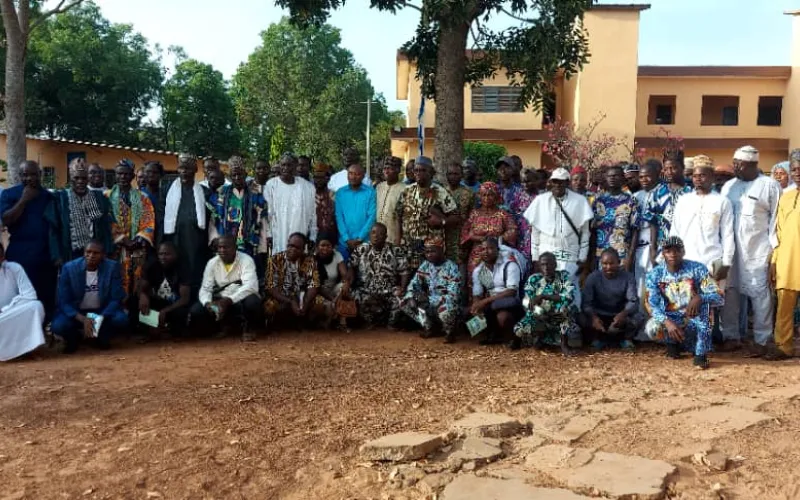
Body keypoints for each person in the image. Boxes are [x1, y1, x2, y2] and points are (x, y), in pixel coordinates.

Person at [720, 146, 781, 356]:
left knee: (760, 295)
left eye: (739, 164)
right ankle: (731, 336)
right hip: (731, 251)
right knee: (730, 292)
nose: (735, 167)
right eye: (734, 162)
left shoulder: (769, 186)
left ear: (753, 165)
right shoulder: (729, 186)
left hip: (757, 250)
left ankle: (762, 340)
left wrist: (773, 250)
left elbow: (775, 221)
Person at [645, 236, 724, 370]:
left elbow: (719, 296)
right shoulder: (654, 274)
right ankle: (673, 344)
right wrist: (668, 323)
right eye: (668, 250)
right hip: (671, 319)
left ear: (683, 252)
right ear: (663, 253)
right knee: (652, 328)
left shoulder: (697, 269)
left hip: (693, 317)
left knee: (705, 308)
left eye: (677, 250)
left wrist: (700, 298)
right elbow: (652, 305)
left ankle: (700, 355)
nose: (673, 254)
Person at [0, 161, 59, 319]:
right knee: (21, 296)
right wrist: (24, 200)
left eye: (33, 174)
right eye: (25, 174)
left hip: (45, 255)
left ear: (40, 175)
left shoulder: (49, 196)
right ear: (20, 176)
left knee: (46, 296)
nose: (29, 178)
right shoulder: (9, 194)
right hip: (20, 255)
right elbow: (6, 220)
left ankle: (45, 332)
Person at [52, 240, 128, 353]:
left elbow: (116, 298)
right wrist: (83, 319)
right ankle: (74, 338)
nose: (91, 256)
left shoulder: (112, 267)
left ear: (103, 255)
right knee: (58, 326)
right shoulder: (69, 268)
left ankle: (101, 335)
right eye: (88, 252)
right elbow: (63, 301)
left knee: (121, 319)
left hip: (101, 311)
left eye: (96, 253)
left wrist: (98, 318)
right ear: (84, 253)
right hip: (78, 312)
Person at [524, 168, 592, 289]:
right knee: (546, 292)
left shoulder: (580, 201)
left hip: (570, 255)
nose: (558, 184)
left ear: (567, 182)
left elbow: (585, 234)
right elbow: (535, 233)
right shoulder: (540, 200)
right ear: (550, 182)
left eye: (562, 181)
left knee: (569, 293)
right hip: (546, 254)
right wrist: (535, 258)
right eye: (555, 181)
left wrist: (582, 258)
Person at [192, 235, 262, 341]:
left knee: (252, 302)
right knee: (197, 311)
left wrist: (228, 300)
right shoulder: (212, 263)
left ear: (235, 248)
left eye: (226, 247)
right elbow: (205, 288)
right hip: (220, 300)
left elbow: (251, 286)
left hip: (239, 298)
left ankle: (250, 329)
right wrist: (208, 303)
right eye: (220, 247)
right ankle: (220, 328)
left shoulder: (246, 260)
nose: (222, 250)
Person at [105, 160, 156, 306]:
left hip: (137, 249)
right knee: (116, 282)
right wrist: (123, 239)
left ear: (132, 176)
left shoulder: (142, 198)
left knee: (138, 283)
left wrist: (140, 238)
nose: (123, 177)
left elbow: (149, 220)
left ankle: (135, 315)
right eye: (120, 174)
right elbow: (107, 222)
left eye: (126, 174)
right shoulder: (107, 197)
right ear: (115, 175)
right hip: (117, 250)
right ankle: (116, 315)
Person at [510, 252, 580, 355]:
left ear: (555, 265)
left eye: (549, 264)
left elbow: (568, 297)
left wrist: (543, 296)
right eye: (543, 265)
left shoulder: (563, 276)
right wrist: (540, 313)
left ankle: (564, 345)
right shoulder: (534, 279)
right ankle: (535, 338)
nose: (546, 268)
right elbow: (526, 302)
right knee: (519, 329)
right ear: (539, 266)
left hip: (558, 317)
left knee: (564, 308)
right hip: (540, 317)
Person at [396, 156, 459, 270]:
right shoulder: (407, 190)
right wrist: (398, 240)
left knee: (429, 278)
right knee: (409, 278)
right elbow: (398, 216)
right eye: (416, 170)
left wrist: (441, 221)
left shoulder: (439, 192)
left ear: (431, 172)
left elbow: (456, 217)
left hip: (430, 248)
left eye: (423, 170)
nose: (419, 173)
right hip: (408, 246)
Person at [398, 236, 461, 342]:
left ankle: (450, 331)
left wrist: (429, 299)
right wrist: (411, 296)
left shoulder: (452, 268)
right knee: (404, 301)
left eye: (433, 251)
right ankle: (430, 327)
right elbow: (413, 284)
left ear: (442, 250)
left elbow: (453, 296)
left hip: (445, 305)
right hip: (429, 304)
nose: (429, 255)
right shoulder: (426, 265)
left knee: (446, 310)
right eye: (427, 252)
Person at [164, 153, 210, 295]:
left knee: (195, 273)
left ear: (195, 170)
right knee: (175, 271)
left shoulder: (205, 192)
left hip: (196, 241)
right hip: (174, 239)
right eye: (181, 168)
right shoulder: (167, 190)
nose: (184, 172)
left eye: (188, 168)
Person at [54, 159, 115, 262]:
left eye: (84, 178)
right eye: (76, 178)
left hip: (95, 254)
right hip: (70, 254)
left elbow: (106, 227)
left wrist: (108, 251)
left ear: (88, 179)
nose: (80, 181)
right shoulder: (61, 198)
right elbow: (54, 229)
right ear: (70, 178)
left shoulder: (100, 198)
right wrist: (56, 256)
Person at [350, 223, 410, 327]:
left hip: (389, 290)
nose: (376, 236)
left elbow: (404, 271)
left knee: (402, 297)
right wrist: (348, 281)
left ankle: (391, 324)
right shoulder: (361, 249)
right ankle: (369, 323)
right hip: (366, 290)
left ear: (386, 237)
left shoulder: (395, 250)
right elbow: (351, 266)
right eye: (373, 233)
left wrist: (403, 288)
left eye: (380, 234)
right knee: (353, 295)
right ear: (369, 234)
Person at [770, 158, 800, 360]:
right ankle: (783, 346)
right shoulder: (786, 197)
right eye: (795, 169)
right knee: (784, 309)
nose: (797, 172)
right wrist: (774, 261)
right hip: (787, 262)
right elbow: (778, 233)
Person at [208, 157, 268, 258]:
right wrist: (214, 238)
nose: (237, 177)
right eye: (233, 175)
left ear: (245, 174)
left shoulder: (256, 194)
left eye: (239, 174)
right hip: (225, 244)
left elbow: (263, 220)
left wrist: (262, 246)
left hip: (249, 245)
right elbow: (213, 219)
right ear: (230, 177)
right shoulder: (221, 193)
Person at [470, 238, 524, 347]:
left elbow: (511, 291)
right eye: (483, 249)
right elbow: (477, 293)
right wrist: (476, 306)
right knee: (469, 316)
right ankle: (493, 335)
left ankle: (513, 338)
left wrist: (484, 302)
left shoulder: (509, 265)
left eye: (490, 248)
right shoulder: (479, 270)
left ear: (497, 250)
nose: (486, 252)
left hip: (508, 304)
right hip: (491, 304)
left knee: (503, 317)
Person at [582, 249, 641, 350]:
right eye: (605, 264)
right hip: (600, 316)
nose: (608, 267)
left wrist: (623, 313)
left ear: (618, 262)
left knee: (639, 317)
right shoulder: (593, 277)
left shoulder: (628, 277)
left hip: (619, 316)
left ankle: (626, 339)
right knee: (581, 318)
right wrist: (594, 318)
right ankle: (598, 339)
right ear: (601, 263)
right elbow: (586, 303)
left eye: (611, 263)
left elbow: (633, 301)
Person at [644, 150, 692, 266]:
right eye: (666, 169)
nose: (669, 172)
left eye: (674, 168)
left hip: (689, 247)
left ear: (682, 168)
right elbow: (653, 224)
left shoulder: (692, 191)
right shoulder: (656, 193)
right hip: (664, 248)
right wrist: (653, 249)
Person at [0, 242, 46, 361]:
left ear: (2, 256)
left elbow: (30, 295)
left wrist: (5, 310)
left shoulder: (14, 268)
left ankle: (29, 349)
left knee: (36, 306)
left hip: (12, 312)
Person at [461, 182, 517, 278]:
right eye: (484, 195)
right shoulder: (474, 214)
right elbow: (465, 231)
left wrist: (497, 239)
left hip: (497, 252)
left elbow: (513, 230)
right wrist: (479, 238)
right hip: (478, 253)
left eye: (490, 195)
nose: (487, 198)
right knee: (475, 281)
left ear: (496, 196)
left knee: (497, 280)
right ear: (480, 196)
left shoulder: (502, 214)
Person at [265, 232, 322, 327]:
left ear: (303, 249)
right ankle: (275, 326)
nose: (292, 249)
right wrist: (290, 301)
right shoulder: (275, 260)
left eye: (297, 248)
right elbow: (270, 287)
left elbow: (314, 284)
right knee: (269, 305)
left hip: (301, 298)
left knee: (319, 302)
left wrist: (306, 302)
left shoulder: (309, 261)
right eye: (290, 246)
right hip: (282, 298)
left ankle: (309, 325)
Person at [264, 153, 317, 254]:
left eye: (289, 165)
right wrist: (268, 234)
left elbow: (312, 215)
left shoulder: (308, 187)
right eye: (283, 165)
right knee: (280, 264)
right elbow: (267, 213)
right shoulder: (271, 185)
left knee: (299, 265)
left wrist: (312, 236)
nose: (286, 168)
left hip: (300, 234)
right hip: (279, 236)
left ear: (295, 166)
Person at [138, 241, 191, 340]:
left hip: (175, 305)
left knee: (181, 312)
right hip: (160, 302)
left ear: (175, 255)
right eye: (161, 254)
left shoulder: (182, 267)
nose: (163, 257)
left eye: (167, 254)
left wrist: (165, 311)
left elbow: (185, 299)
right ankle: (151, 329)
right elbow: (141, 287)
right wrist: (143, 295)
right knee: (136, 302)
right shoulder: (152, 265)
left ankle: (171, 331)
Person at [592, 165, 640, 270]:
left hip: (622, 256)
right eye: (609, 176)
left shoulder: (631, 201)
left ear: (623, 178)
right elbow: (592, 231)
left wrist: (630, 257)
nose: (612, 178)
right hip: (601, 256)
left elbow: (635, 231)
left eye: (616, 176)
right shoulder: (598, 201)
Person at [633, 160, 660, 320]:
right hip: (639, 248)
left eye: (647, 176)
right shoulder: (636, 196)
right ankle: (641, 326)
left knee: (654, 288)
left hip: (655, 248)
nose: (643, 180)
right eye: (641, 177)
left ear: (657, 175)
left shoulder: (663, 194)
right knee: (639, 287)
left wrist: (654, 250)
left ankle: (656, 325)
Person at [335, 163, 376, 260]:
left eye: (357, 174)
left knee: (363, 273)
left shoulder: (370, 192)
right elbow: (339, 217)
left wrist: (359, 238)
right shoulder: (340, 193)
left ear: (363, 176)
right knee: (344, 272)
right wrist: (346, 239)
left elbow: (372, 217)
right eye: (351, 173)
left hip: (364, 242)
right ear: (347, 175)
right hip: (344, 243)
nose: (353, 177)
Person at [314, 232, 350, 329]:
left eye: (328, 246)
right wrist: (332, 299)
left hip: (333, 289)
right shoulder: (312, 259)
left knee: (345, 288)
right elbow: (315, 285)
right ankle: (323, 322)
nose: (325, 248)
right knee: (320, 304)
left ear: (333, 247)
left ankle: (343, 323)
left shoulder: (337, 255)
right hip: (318, 292)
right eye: (322, 245)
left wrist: (346, 283)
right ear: (317, 246)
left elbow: (344, 274)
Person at [444, 162, 473, 266]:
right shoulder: (441, 192)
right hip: (444, 238)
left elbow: (472, 218)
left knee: (460, 266)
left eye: (456, 174)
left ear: (461, 176)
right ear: (446, 175)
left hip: (461, 239)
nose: (453, 176)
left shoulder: (468, 193)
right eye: (450, 174)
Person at [376, 156, 406, 245]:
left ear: (398, 170)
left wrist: (399, 239)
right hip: (377, 238)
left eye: (390, 169)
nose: (386, 171)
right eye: (385, 168)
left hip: (394, 238)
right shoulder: (379, 187)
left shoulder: (405, 189)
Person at [510, 169, 538, 260]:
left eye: (528, 181)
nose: (525, 184)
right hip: (520, 236)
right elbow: (512, 215)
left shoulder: (542, 198)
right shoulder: (517, 196)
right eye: (523, 182)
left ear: (536, 180)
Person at [140, 161, 166, 246]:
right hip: (143, 241)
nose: (151, 175)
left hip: (163, 239)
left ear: (161, 175)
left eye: (155, 172)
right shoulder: (137, 195)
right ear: (143, 174)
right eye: (148, 172)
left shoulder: (166, 195)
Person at [313, 163, 337, 239]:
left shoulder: (334, 195)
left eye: (321, 177)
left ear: (327, 178)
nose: (318, 180)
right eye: (316, 177)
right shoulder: (309, 195)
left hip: (330, 236)